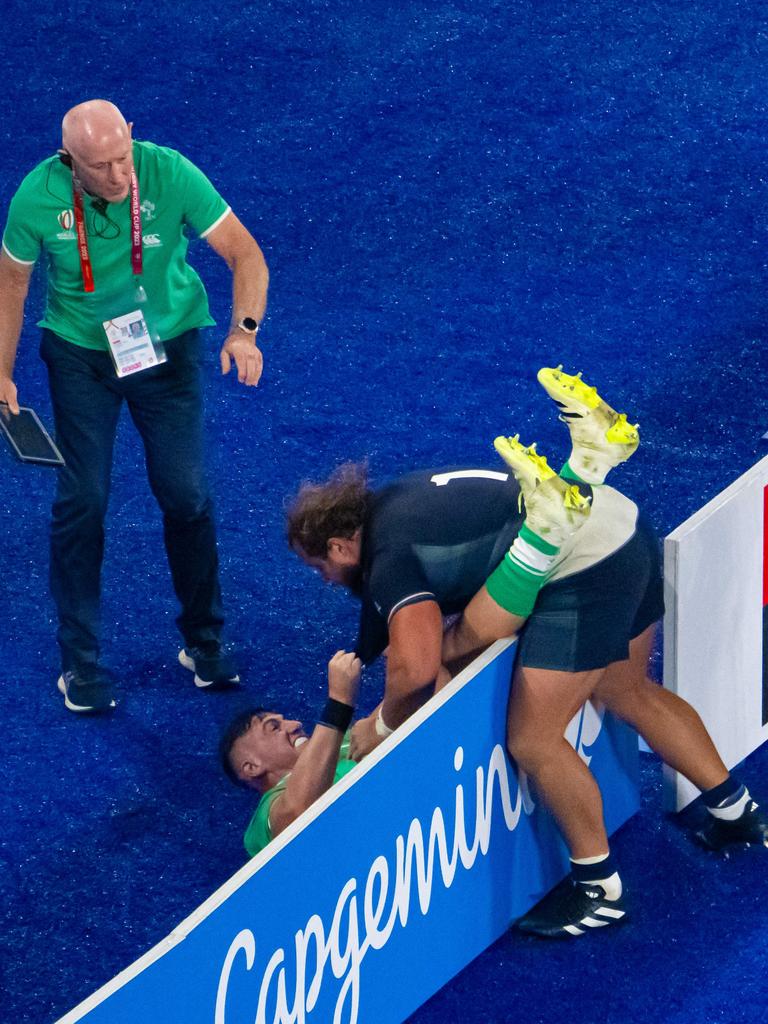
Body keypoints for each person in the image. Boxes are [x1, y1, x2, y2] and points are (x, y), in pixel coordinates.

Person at [285, 366, 768, 937]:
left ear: (341, 544)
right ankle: (736, 814)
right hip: (620, 522)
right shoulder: (397, 501)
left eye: (321, 566)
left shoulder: (389, 559)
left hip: (587, 568)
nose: (324, 579)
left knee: (532, 738)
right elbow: (385, 621)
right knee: (627, 689)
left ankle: (599, 889)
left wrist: (382, 725)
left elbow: (415, 666)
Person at [0, 99, 269, 713]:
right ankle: (81, 663)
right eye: (101, 167)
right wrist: (0, 369)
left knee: (187, 495)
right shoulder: (36, 197)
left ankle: (204, 641)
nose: (120, 176)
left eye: (124, 158)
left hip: (166, 347)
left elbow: (244, 254)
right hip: (78, 355)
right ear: (70, 161)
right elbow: (10, 283)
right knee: (83, 500)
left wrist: (244, 330)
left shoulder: (169, 172)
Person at [221, 650, 361, 855]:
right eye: (274, 728)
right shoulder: (266, 815)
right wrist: (339, 704)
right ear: (252, 767)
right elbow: (298, 814)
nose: (295, 724)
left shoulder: (342, 743)